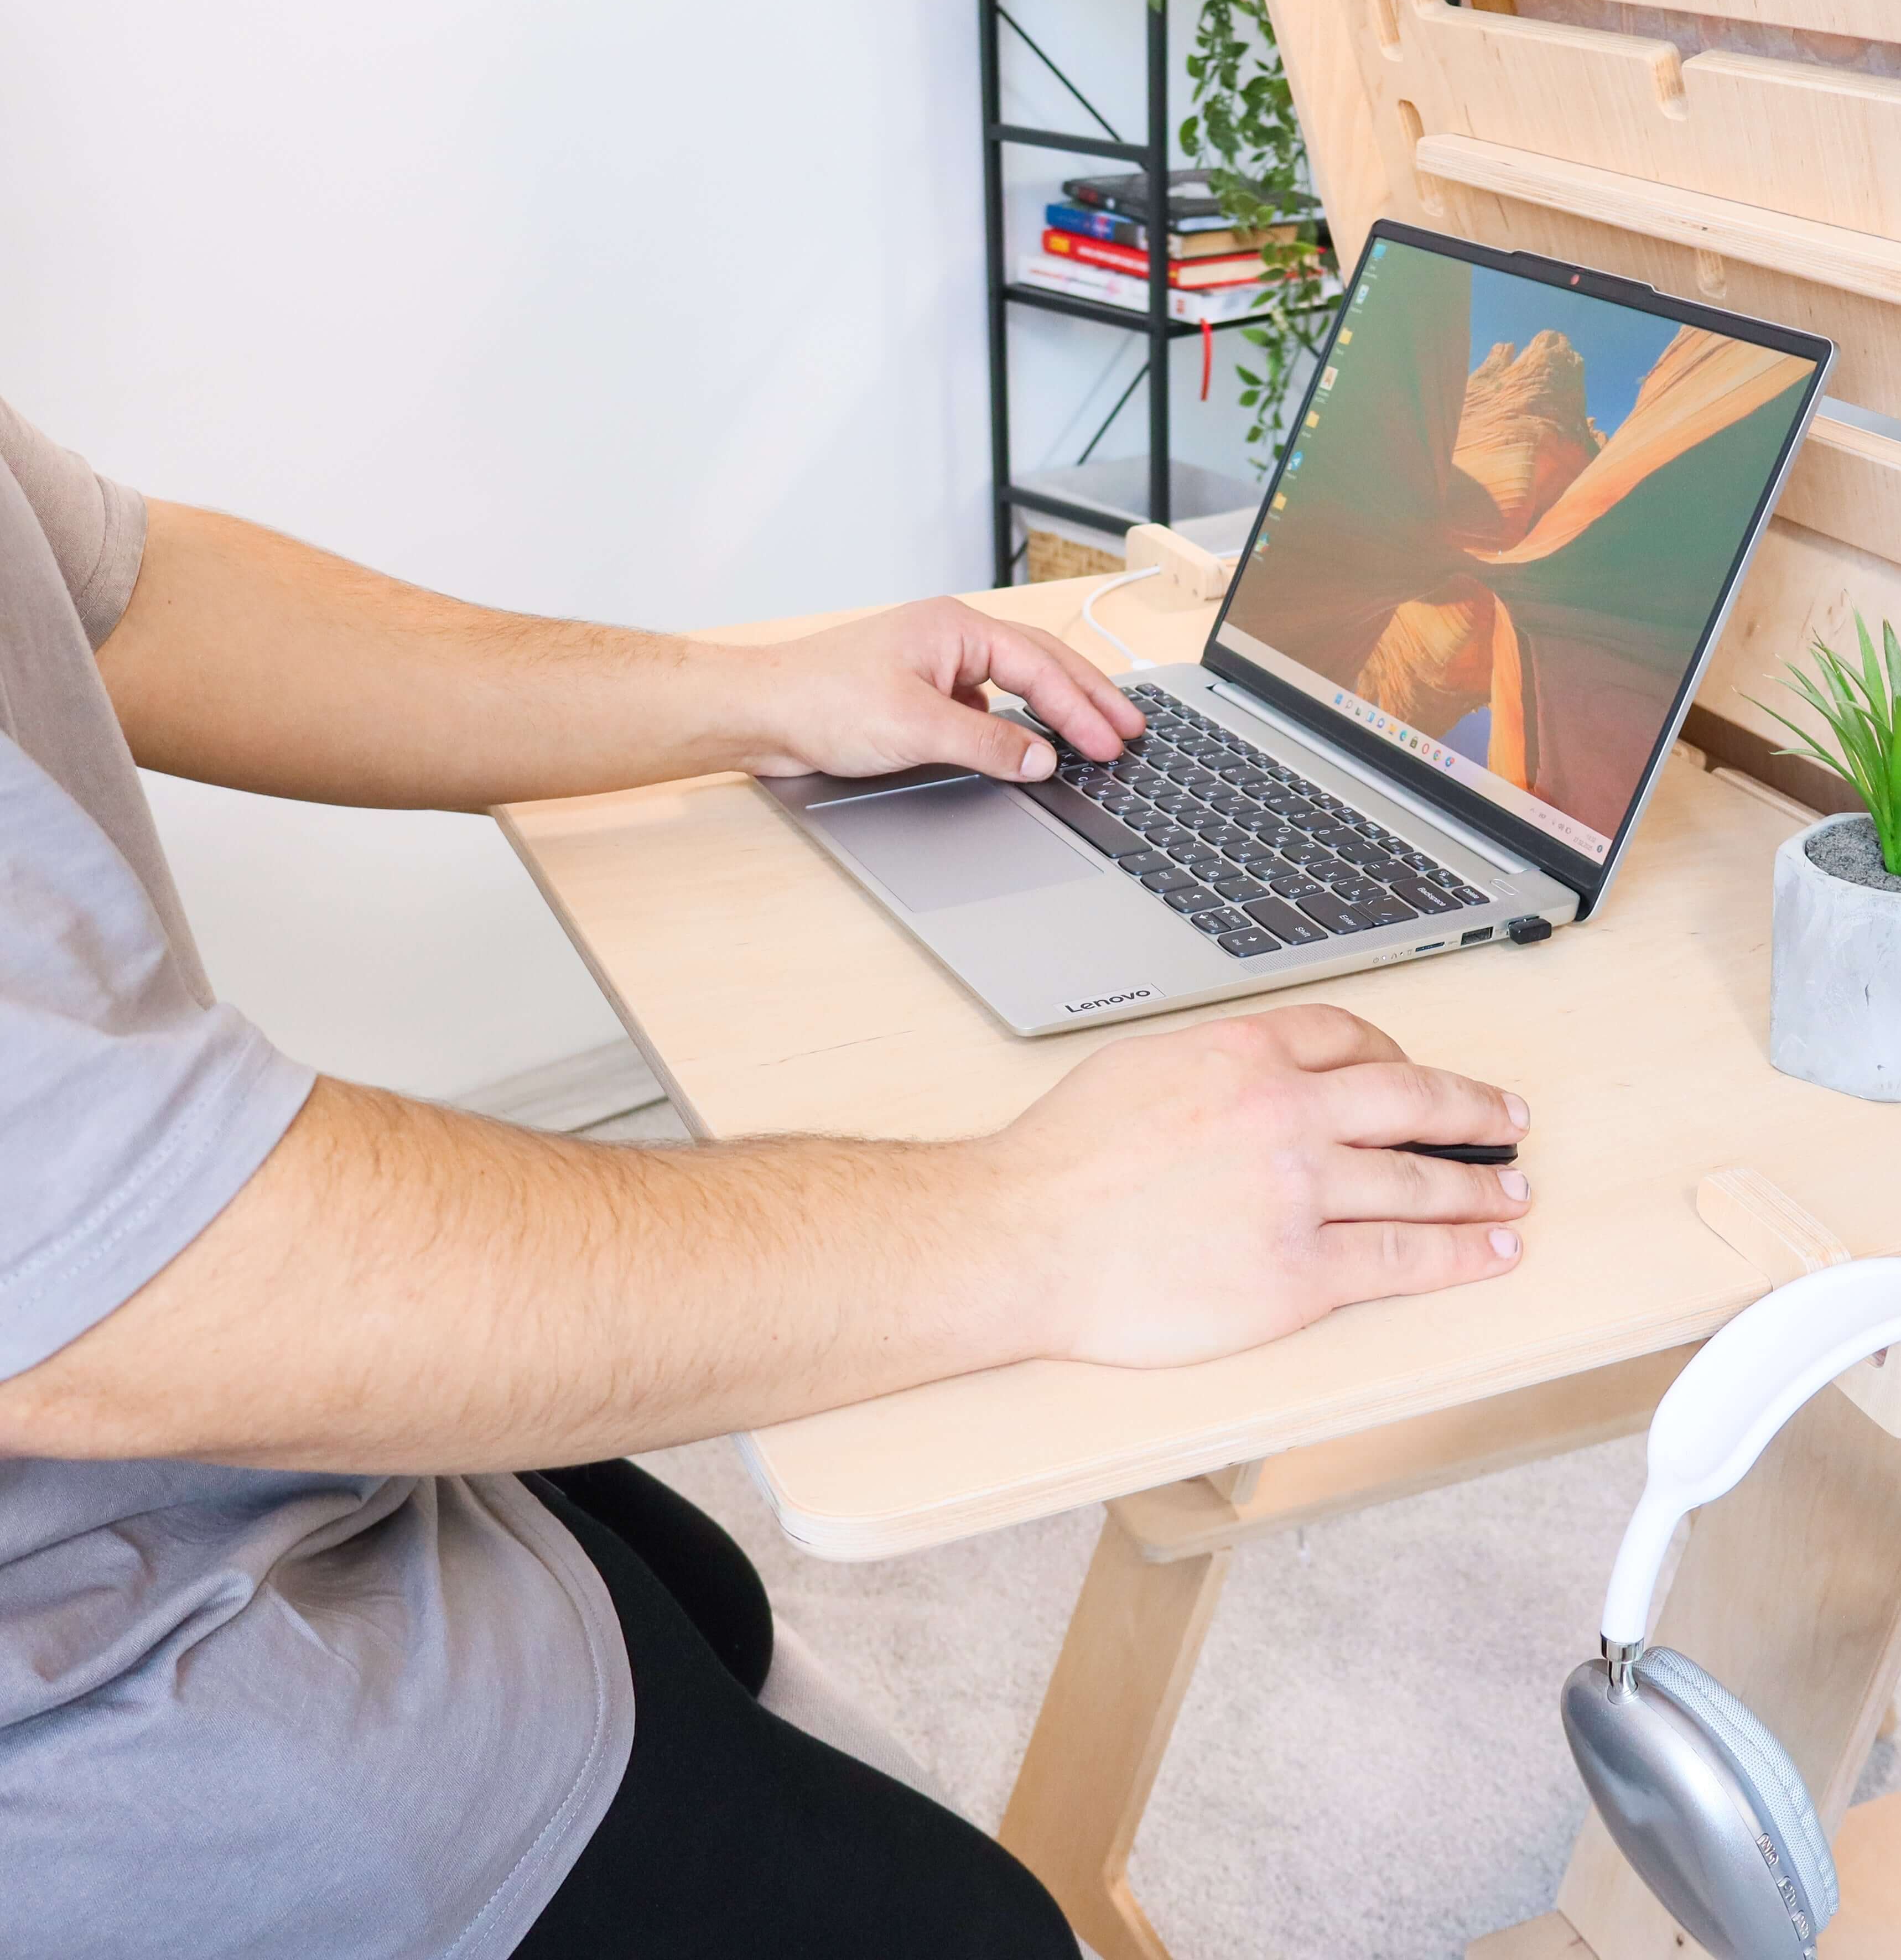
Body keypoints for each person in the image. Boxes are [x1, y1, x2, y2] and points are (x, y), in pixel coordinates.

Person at [0, 396, 1533, 1958]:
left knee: (705, 1602)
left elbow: (128, 598)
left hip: (225, 1496)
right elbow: (148, 1285)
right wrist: (1037, 1224)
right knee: (989, 1932)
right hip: (121, 1736)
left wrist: (759, 699)